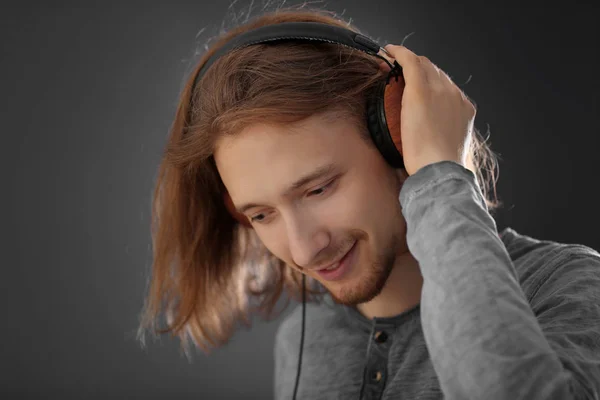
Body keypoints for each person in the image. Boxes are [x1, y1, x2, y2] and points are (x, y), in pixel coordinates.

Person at [136, 7, 600, 400]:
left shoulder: (568, 285)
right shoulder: (307, 339)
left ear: (396, 139)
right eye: (261, 214)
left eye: (318, 189)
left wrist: (439, 175)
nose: (303, 251)